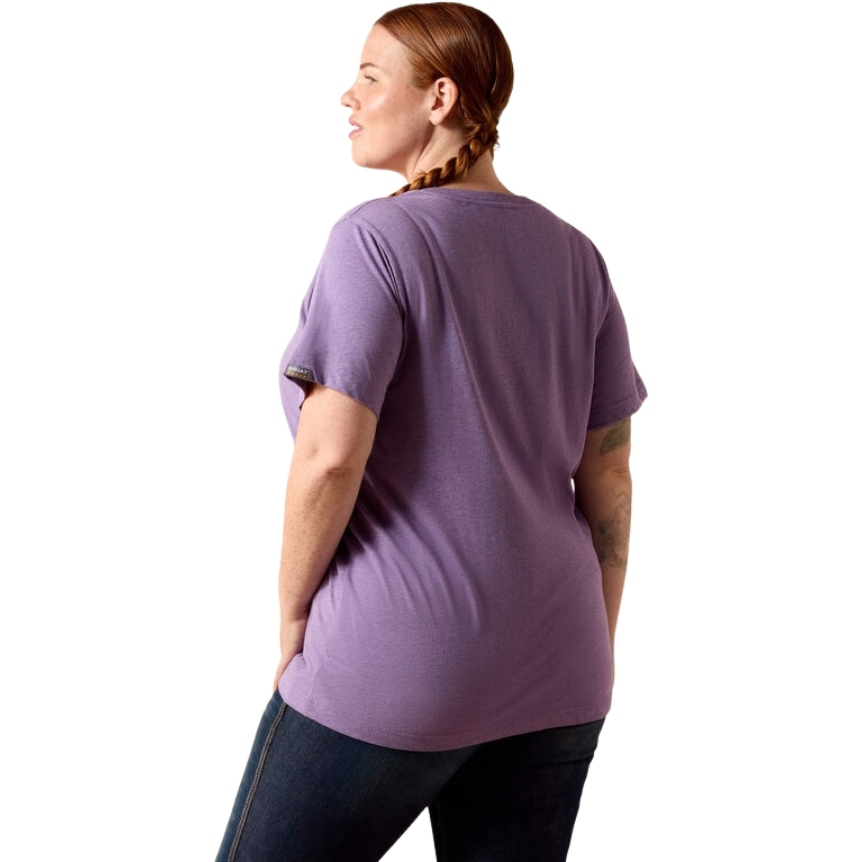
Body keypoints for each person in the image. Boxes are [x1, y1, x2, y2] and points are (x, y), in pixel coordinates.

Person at [214, 3, 647, 861]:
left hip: (398, 653)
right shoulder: (576, 255)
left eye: (370, 76)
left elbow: (329, 457)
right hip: (559, 661)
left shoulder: (376, 240)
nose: (348, 96)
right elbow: (610, 474)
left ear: (439, 97)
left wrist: (293, 616)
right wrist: (591, 639)